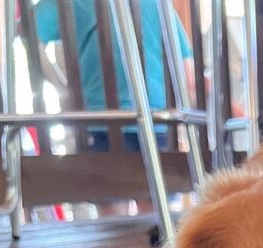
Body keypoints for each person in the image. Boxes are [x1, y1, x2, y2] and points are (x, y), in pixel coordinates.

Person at [34, 0, 194, 151]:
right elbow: (188, 77)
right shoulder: (159, 3)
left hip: (94, 124)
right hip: (156, 124)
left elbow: (29, 32)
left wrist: (63, 89)